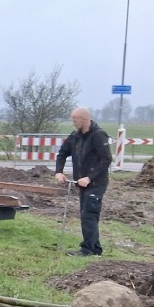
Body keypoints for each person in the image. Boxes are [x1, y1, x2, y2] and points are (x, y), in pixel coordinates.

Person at [54, 106, 111, 257]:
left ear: (85, 119)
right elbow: (62, 153)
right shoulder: (75, 136)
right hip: (81, 183)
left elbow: (106, 160)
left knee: (89, 214)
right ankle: (95, 248)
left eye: (75, 120)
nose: (73, 123)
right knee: (85, 213)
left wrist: (90, 177)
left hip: (96, 183)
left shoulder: (98, 135)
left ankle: (88, 250)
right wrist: (59, 171)